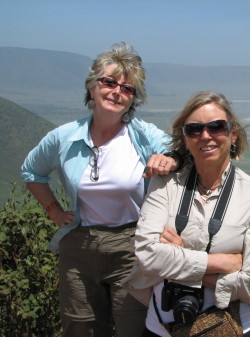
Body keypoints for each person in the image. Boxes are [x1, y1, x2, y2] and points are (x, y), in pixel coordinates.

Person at [21, 42, 180, 337]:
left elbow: (180, 154)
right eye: (109, 82)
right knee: (81, 328)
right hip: (79, 246)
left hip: (132, 246)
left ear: (133, 99)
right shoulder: (64, 137)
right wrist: (54, 211)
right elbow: (32, 171)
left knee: (133, 328)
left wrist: (169, 158)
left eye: (127, 88)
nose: (116, 91)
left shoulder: (143, 136)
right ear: (92, 87)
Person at [123, 91, 250, 337]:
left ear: (233, 135)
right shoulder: (164, 185)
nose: (205, 136)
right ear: (185, 140)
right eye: (194, 129)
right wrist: (220, 264)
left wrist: (179, 257)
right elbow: (147, 256)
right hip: (163, 327)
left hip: (233, 326)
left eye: (216, 127)